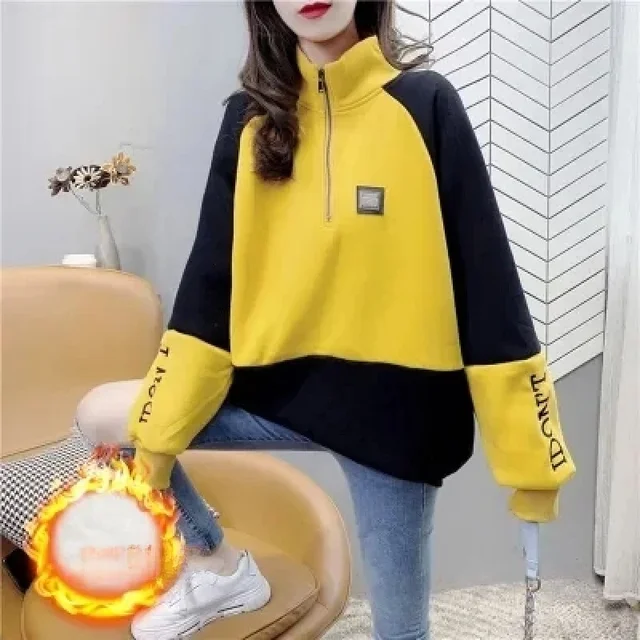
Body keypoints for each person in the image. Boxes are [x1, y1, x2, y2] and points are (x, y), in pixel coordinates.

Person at [54, 1, 579, 639]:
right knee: (101, 416)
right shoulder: (247, 120)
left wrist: (532, 464)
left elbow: (488, 283)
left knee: (401, 633)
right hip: (277, 391)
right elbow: (209, 290)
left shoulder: (424, 105)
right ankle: (218, 566)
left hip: (396, 414)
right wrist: (158, 446)